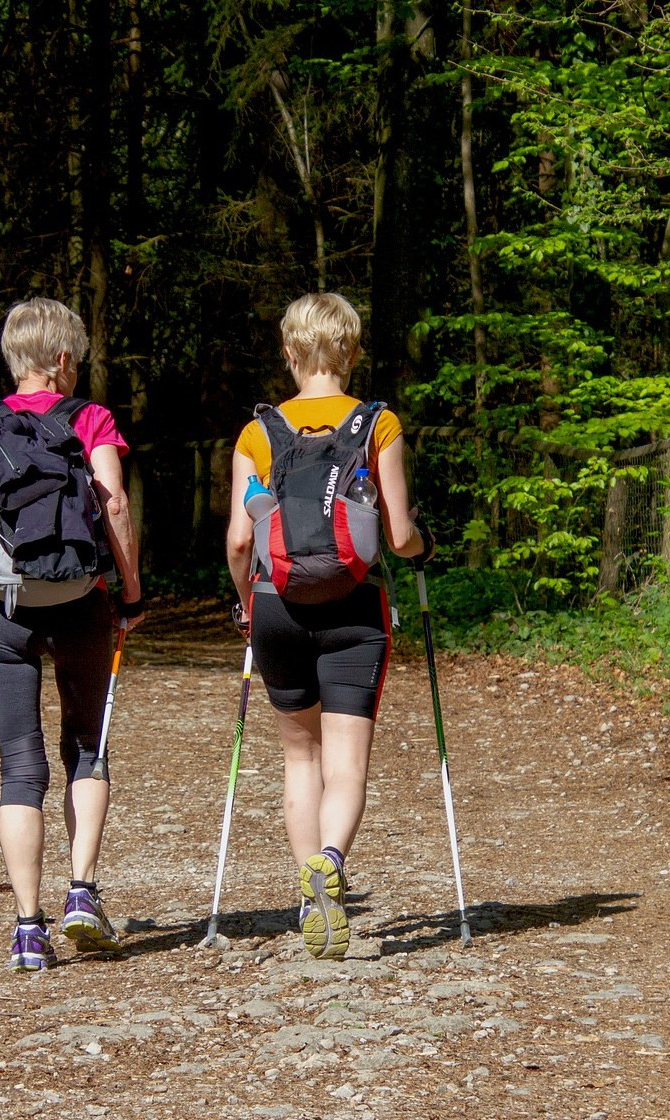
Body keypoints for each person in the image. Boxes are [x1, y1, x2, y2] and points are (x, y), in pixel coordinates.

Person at [0, 297, 146, 972]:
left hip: (4, 608)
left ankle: (28, 929)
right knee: (86, 746)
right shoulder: (90, 420)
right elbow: (112, 506)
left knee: (19, 766)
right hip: (81, 600)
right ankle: (81, 892)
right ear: (63, 359)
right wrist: (131, 590)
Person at [224, 292, 431, 960]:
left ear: (289, 354)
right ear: (351, 352)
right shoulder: (378, 423)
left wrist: (244, 606)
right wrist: (424, 546)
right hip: (352, 607)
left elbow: (237, 539)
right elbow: (398, 536)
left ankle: (310, 890)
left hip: (275, 605)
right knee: (346, 764)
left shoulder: (257, 434)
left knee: (298, 756)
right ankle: (333, 859)